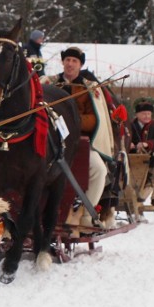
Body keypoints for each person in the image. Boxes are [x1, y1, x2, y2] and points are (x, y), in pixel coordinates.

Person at [48, 46, 114, 227]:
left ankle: (85, 214)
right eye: (67, 60)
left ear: (81, 65)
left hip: (79, 145)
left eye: (74, 61)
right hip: (49, 144)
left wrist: (72, 120)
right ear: (63, 62)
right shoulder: (49, 84)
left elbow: (94, 120)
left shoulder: (90, 89)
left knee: (99, 170)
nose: (70, 64)